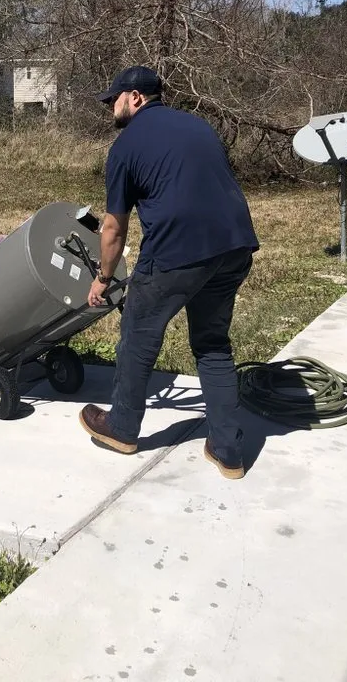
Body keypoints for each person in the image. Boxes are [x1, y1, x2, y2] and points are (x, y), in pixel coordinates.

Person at [79, 66, 259, 479]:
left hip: (176, 255)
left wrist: (103, 278)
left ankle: (121, 428)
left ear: (136, 98)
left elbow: (113, 227)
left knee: (138, 337)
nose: (110, 107)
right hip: (234, 246)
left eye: (114, 99)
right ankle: (228, 451)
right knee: (212, 344)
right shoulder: (199, 126)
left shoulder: (126, 147)